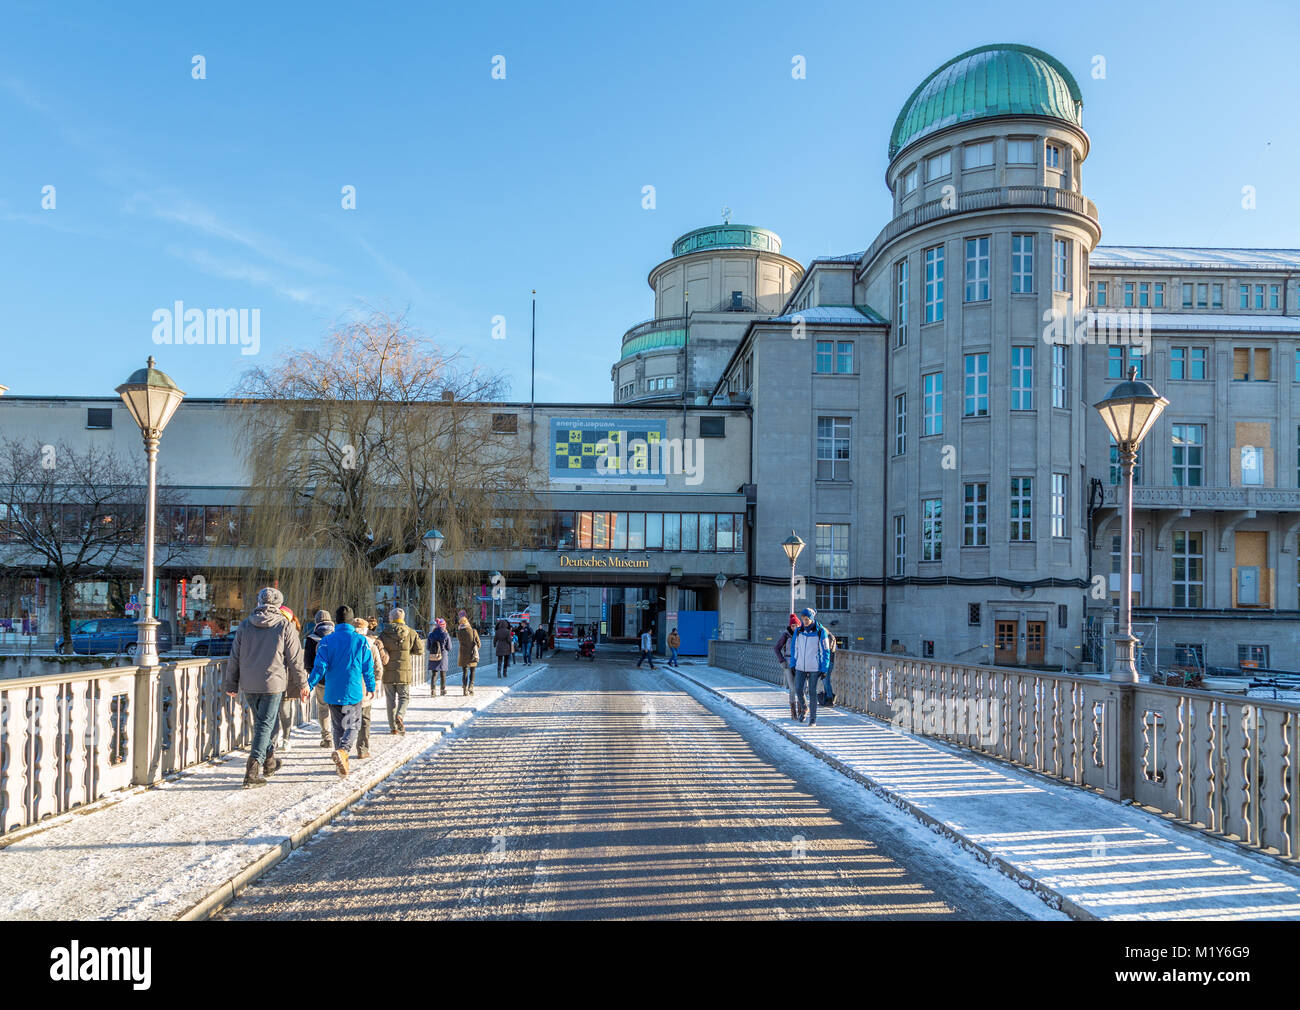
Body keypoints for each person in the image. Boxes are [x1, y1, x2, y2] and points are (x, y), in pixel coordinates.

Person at [222, 587, 308, 789]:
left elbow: (234, 656)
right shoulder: (284, 625)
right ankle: (252, 772)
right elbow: (295, 660)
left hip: (249, 683)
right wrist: (303, 684)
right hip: (273, 683)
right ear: (279, 604)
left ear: (259, 602)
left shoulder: (245, 625)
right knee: (264, 725)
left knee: (262, 723)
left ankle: (270, 762)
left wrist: (231, 683)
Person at [309, 605, 375, 777]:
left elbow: (319, 667)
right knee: (354, 724)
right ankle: (344, 751)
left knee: (338, 727)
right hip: (353, 690)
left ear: (336, 621)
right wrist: (371, 687)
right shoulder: (361, 640)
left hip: (332, 691)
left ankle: (341, 763)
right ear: (352, 621)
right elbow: (368, 667)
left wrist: (309, 685)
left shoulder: (326, 641)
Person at [379, 607, 424, 735]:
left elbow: (379, 649)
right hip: (404, 672)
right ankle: (400, 715)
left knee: (390, 700)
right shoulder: (411, 632)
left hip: (388, 672)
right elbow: (420, 650)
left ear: (391, 618)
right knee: (404, 697)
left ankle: (393, 727)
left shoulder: (384, 633)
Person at [788, 607, 832, 726]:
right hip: (800, 666)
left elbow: (826, 651)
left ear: (812, 619)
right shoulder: (798, 631)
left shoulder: (820, 631)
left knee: (812, 692)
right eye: (803, 619)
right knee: (798, 689)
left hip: (814, 667)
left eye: (807, 619)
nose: (805, 621)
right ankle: (804, 708)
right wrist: (793, 663)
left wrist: (824, 668)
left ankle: (813, 719)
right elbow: (794, 648)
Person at [353, 617, 388, 759]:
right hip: (365, 688)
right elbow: (378, 667)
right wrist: (376, 682)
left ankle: (344, 747)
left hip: (348, 688)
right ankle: (362, 749)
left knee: (347, 718)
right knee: (364, 719)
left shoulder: (347, 644)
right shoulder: (371, 645)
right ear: (365, 630)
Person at [272, 605, 303, 752]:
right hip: (277, 675)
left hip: (287, 677)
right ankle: (275, 740)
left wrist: (301, 681)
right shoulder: (274, 628)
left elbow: (296, 659)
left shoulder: (291, 630)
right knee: (276, 711)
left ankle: (286, 738)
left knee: (284, 711)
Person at [304, 609, 335, 748]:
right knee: (338, 707)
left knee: (323, 708)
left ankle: (326, 736)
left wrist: (313, 676)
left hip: (320, 679)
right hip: (337, 679)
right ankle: (339, 734)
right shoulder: (337, 635)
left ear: (316, 622)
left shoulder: (311, 638)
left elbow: (308, 662)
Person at [773, 614, 802, 720]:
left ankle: (801, 711)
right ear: (790, 626)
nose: (794, 627)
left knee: (800, 688)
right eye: (793, 626)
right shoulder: (786, 635)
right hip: (788, 664)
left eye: (796, 625)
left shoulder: (802, 634)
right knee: (792, 688)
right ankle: (793, 713)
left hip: (799, 664)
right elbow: (776, 648)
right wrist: (782, 661)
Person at [427, 617, 452, 696]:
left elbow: (428, 647)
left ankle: (433, 690)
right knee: (443, 674)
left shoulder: (431, 635)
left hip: (433, 655)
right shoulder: (445, 634)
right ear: (443, 626)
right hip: (443, 656)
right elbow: (449, 647)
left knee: (434, 674)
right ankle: (442, 690)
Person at [457, 615, 481, 695]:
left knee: (465, 672)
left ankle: (464, 688)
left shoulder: (459, 632)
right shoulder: (473, 631)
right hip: (472, 654)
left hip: (463, 654)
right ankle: (471, 686)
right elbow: (479, 644)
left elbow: (460, 642)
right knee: (473, 671)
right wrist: (476, 648)